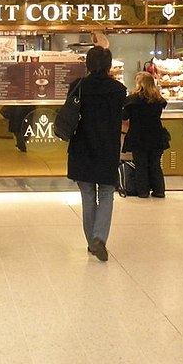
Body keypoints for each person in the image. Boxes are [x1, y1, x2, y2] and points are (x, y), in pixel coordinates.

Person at [66, 46, 127, 262]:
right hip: (108, 146)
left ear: (88, 64)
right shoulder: (119, 89)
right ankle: (99, 238)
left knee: (88, 195)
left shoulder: (79, 87)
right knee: (107, 193)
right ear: (109, 65)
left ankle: (92, 240)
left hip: (83, 146)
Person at [122, 71, 167, 198]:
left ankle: (143, 191)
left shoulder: (132, 100)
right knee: (155, 164)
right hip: (156, 135)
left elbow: (124, 117)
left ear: (139, 83)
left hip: (138, 135)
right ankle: (159, 191)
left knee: (141, 164)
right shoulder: (159, 99)